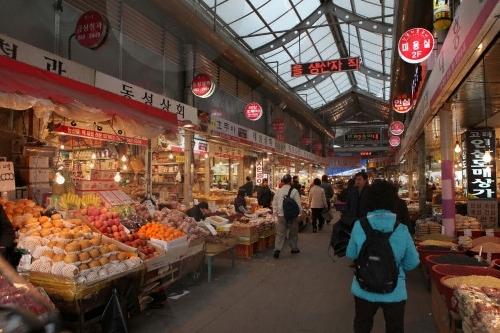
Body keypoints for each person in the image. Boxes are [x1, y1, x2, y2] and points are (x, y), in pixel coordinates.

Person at [346, 180, 419, 333]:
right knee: (395, 328)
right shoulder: (402, 229)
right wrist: (393, 268)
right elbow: (413, 261)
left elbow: (351, 253)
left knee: (362, 325)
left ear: (369, 200)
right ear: (393, 201)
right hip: (394, 291)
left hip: (363, 287)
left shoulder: (360, 225)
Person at [272, 174, 302, 259]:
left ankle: (277, 250)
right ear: (290, 181)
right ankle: (294, 248)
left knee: (280, 234)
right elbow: (298, 204)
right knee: (293, 233)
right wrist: (300, 214)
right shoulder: (294, 191)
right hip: (292, 216)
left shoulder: (278, 191)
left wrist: (276, 214)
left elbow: (274, 204)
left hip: (281, 216)